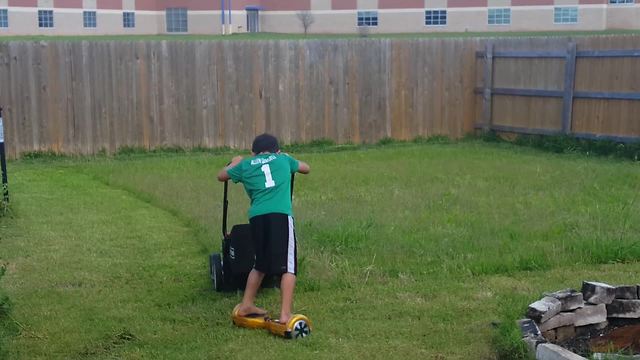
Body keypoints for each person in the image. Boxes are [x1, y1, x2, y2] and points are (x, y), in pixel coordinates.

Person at [217, 133, 310, 324]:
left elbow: (221, 176)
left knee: (260, 264)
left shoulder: (245, 165)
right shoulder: (283, 159)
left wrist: (235, 161)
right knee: (289, 266)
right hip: (281, 215)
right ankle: (285, 315)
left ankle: (246, 305)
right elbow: (306, 168)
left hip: (257, 217)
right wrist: (287, 159)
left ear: (253, 152)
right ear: (278, 150)